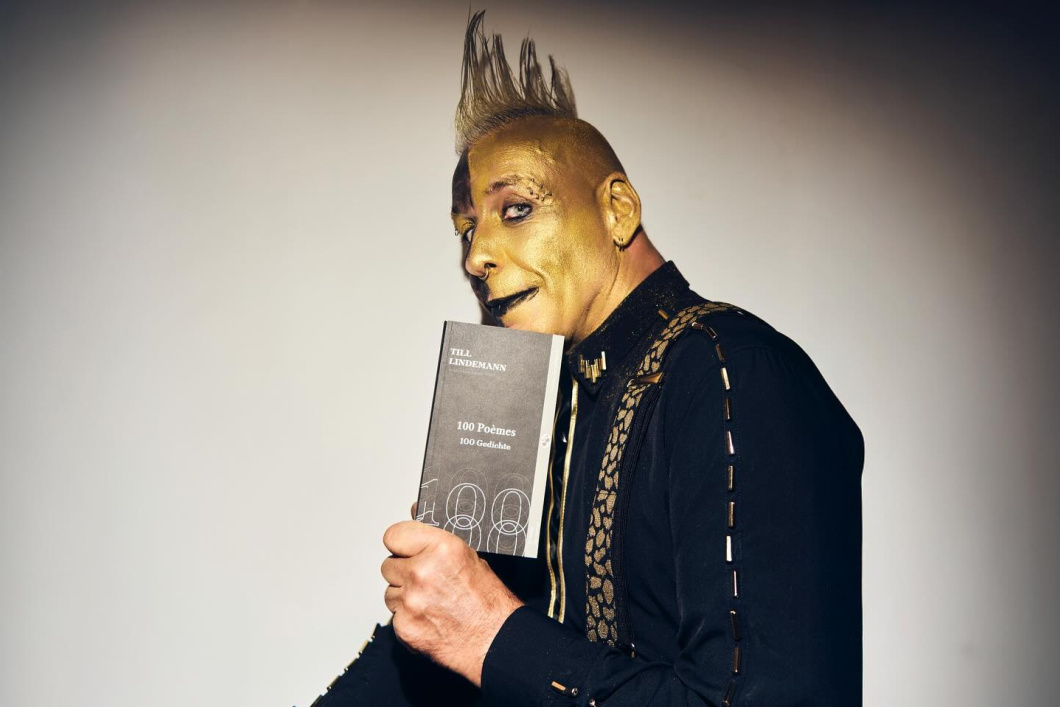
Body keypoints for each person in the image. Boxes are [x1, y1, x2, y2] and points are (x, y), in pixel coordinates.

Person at [309, 11, 863, 706]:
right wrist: (444, 603)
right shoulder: (526, 396)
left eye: (515, 209)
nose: (477, 256)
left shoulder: (733, 373)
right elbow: (433, 665)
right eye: (466, 229)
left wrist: (490, 632)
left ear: (618, 209)